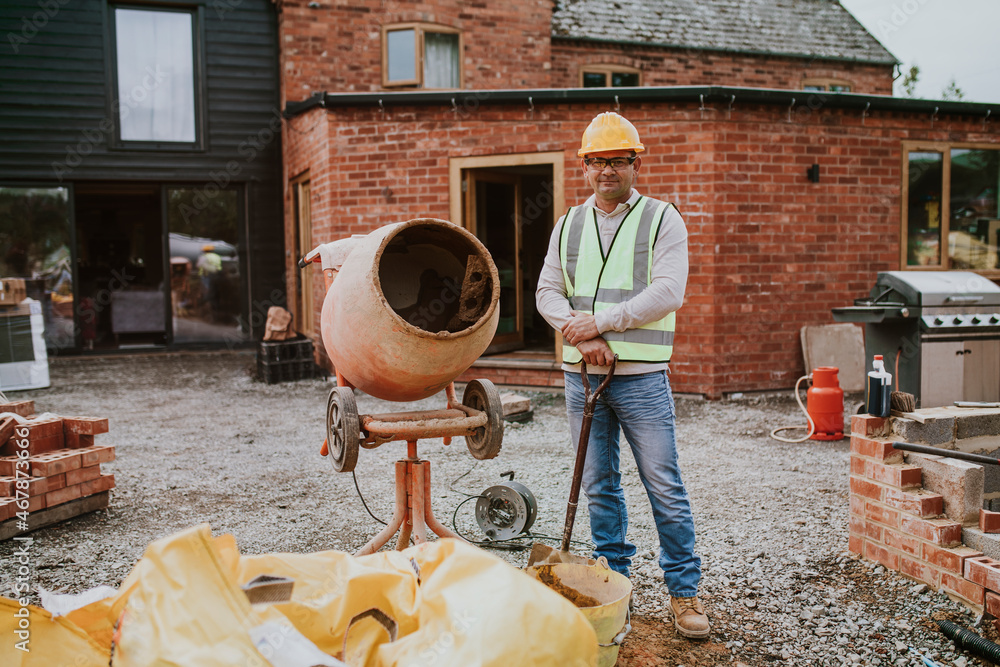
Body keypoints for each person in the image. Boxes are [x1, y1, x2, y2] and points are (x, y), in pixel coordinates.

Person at [535, 112, 709, 639]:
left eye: (617, 159)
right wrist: (582, 337)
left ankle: (684, 592)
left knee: (664, 485)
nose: (606, 169)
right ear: (585, 166)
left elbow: (668, 292)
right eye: (597, 160)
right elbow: (547, 292)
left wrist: (602, 322)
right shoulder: (567, 224)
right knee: (598, 485)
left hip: (640, 379)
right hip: (581, 376)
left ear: (635, 162)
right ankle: (615, 584)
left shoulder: (662, 219)